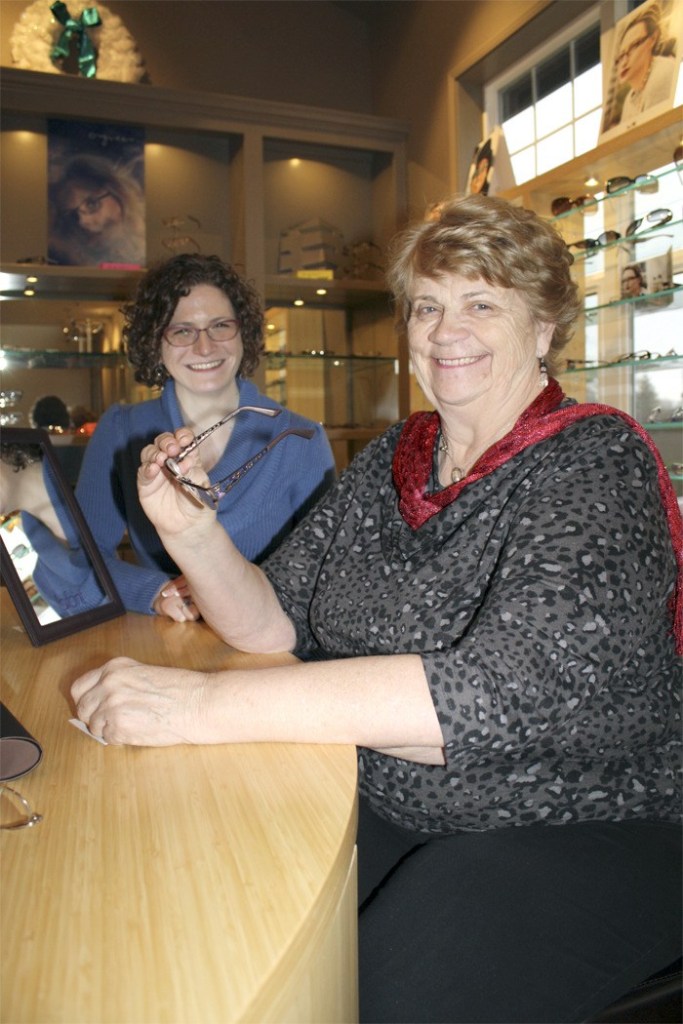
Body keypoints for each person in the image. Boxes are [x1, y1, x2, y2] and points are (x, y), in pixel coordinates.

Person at [71, 195, 682, 1023]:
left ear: (542, 328)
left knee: (357, 995)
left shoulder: (595, 458)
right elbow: (272, 620)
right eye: (426, 306)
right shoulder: (396, 457)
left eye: (479, 303)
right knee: (207, 894)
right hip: (391, 796)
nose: (442, 330)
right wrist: (192, 531)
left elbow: (494, 697)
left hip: (586, 818)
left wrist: (200, 704)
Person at [75, 253, 335, 620]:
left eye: (220, 326)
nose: (204, 347)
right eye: (182, 331)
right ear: (155, 341)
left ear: (243, 331)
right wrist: (153, 592)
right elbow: (82, 557)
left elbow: (327, 574)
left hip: (270, 652)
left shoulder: (301, 438)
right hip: (167, 645)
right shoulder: (120, 431)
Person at [48, 153, 146, 266]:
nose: (83, 221)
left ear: (117, 191)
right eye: (74, 214)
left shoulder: (150, 238)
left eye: (91, 204)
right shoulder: (71, 252)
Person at [612, 2, 677, 127]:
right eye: (621, 55)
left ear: (652, 39)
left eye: (634, 46)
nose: (624, 61)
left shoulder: (663, 74)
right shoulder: (629, 99)